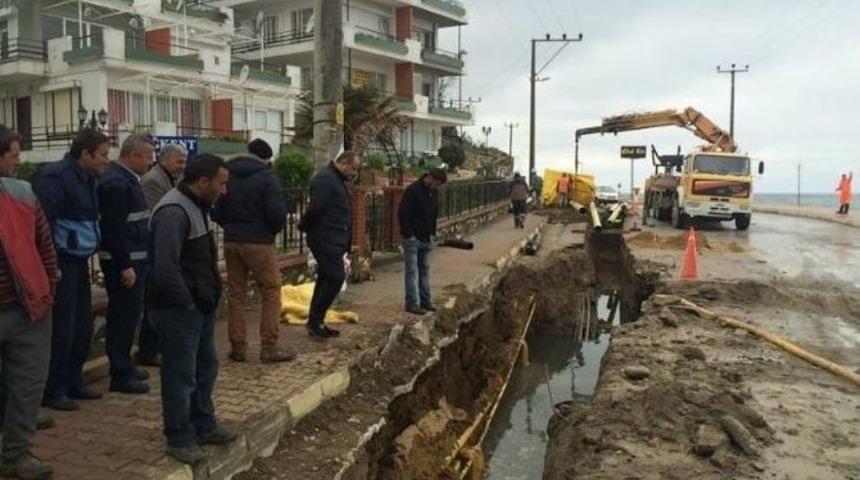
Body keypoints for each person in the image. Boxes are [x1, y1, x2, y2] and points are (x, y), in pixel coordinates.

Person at [148, 154, 236, 465]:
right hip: (178, 310)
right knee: (180, 375)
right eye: (221, 184)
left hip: (197, 307)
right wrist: (186, 302)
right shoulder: (174, 211)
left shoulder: (198, 207)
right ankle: (180, 436)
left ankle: (204, 424)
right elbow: (165, 268)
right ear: (202, 182)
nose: (223, 190)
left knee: (204, 368)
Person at [33, 128, 109, 412]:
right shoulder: (55, 178)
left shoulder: (88, 178)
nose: (105, 160)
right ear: (85, 153)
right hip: (62, 262)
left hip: (78, 259)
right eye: (102, 155)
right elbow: (43, 224)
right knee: (62, 327)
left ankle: (74, 380)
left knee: (81, 324)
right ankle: (54, 389)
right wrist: (51, 265)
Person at [0, 127, 58, 479]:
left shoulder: (22, 194)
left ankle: (15, 454)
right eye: (12, 156)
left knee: (27, 385)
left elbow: (45, 247)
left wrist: (47, 288)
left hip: (26, 309)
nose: (17, 163)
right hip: (24, 306)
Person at [213, 139, 294, 363]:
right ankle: (269, 347)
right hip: (259, 242)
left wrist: (230, 227)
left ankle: (238, 347)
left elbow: (216, 210)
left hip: (231, 241)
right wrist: (268, 233)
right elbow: (277, 214)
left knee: (236, 294)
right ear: (267, 158)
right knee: (271, 290)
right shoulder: (267, 177)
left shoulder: (226, 174)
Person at [97, 135, 155, 395]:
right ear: (133, 156)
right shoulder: (116, 184)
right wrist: (124, 265)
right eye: (147, 156)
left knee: (130, 316)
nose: (150, 162)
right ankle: (120, 373)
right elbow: (114, 228)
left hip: (134, 261)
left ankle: (125, 368)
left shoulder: (126, 180)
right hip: (124, 264)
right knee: (122, 318)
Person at [298, 151, 360, 340]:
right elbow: (316, 208)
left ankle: (316, 321)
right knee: (335, 277)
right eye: (353, 168)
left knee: (326, 278)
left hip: (333, 237)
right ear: (343, 163)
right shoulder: (326, 179)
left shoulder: (336, 180)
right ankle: (315, 320)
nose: (354, 173)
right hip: (325, 238)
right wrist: (304, 226)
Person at [137, 143, 187, 367]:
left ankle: (155, 347)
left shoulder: (169, 179)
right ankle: (148, 349)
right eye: (179, 161)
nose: (182, 166)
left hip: (161, 249)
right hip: (154, 249)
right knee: (154, 301)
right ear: (165, 159)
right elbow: (157, 215)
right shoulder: (154, 181)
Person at [398, 168, 448, 315]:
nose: (436, 186)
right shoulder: (413, 190)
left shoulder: (433, 192)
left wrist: (432, 232)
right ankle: (412, 303)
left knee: (424, 271)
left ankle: (425, 301)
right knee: (412, 272)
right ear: (430, 177)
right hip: (412, 238)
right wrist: (408, 234)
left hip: (426, 237)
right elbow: (402, 213)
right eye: (436, 183)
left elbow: (434, 212)